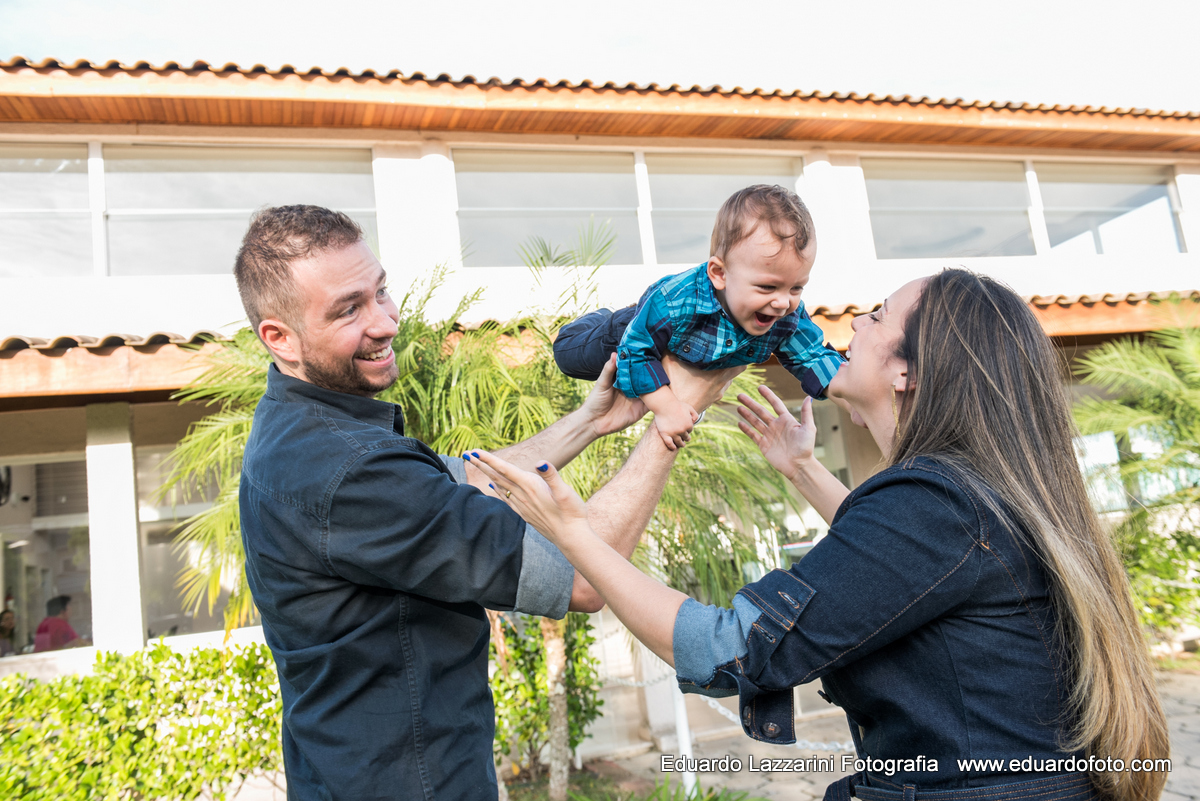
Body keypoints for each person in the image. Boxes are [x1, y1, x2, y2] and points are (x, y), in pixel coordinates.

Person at [471, 269, 1170, 801]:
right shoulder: (968, 494)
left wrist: (573, 531)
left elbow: (732, 649)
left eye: (876, 316)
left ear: (906, 370)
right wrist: (803, 469)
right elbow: (897, 576)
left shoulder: (936, 502)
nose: (854, 325)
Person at [232, 205, 739, 800]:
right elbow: (582, 577)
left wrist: (592, 421)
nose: (386, 322)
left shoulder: (302, 431)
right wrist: (675, 418)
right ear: (279, 337)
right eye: (349, 309)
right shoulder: (349, 471)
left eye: (380, 292)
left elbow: (469, 484)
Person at [553, 184, 844, 450]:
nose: (782, 302)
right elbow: (636, 352)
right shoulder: (675, 301)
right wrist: (668, 407)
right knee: (569, 356)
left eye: (796, 287)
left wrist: (857, 394)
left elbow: (813, 358)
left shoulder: (787, 316)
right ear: (719, 274)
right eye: (767, 287)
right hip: (634, 331)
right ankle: (598, 319)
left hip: (674, 341)